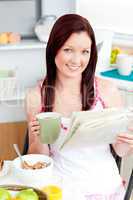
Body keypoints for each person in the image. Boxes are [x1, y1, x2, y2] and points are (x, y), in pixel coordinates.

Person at [26, 14, 133, 199]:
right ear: (53, 50)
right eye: (68, 50)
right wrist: (39, 139)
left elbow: (120, 150)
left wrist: (129, 140)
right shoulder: (36, 96)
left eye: (85, 51)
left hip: (103, 187)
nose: (77, 60)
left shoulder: (107, 90)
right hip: (57, 188)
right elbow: (37, 158)